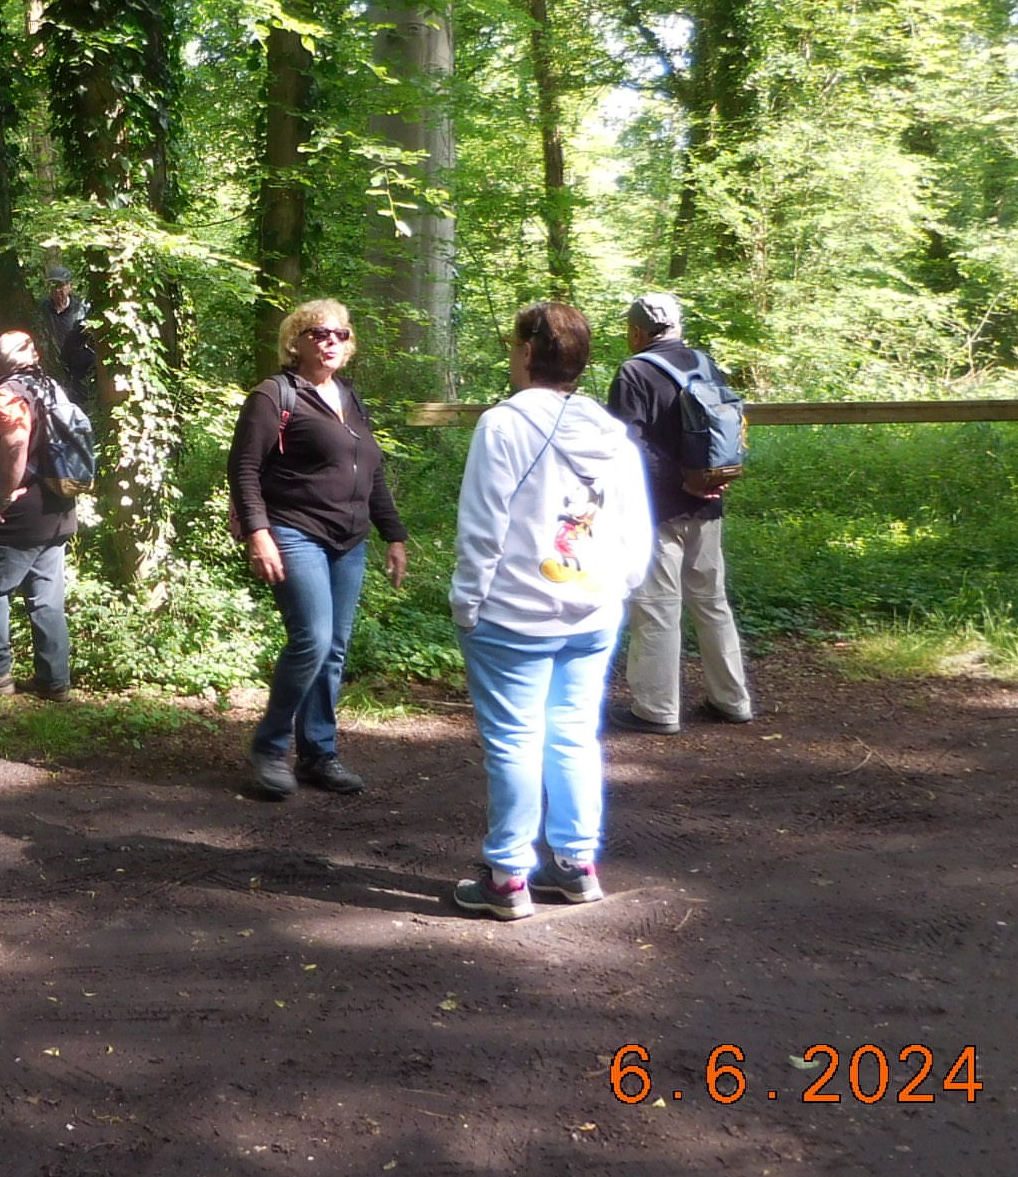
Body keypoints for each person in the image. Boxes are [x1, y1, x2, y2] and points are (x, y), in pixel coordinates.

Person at [448, 301, 654, 921]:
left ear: (528, 353)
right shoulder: (608, 431)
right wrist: (619, 585)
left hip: (512, 614)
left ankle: (509, 877)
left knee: (514, 741)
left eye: (515, 344)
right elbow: (634, 525)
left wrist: (468, 601)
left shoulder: (503, 426)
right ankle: (574, 864)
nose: (511, 353)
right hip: (592, 610)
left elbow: (483, 528)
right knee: (573, 736)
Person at [227, 300, 409, 800]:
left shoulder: (349, 397)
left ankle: (318, 754)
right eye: (320, 333)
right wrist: (258, 533)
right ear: (297, 341)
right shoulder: (275, 395)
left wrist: (393, 534)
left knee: (334, 649)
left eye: (341, 334)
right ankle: (269, 748)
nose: (332, 341)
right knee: (312, 638)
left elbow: (371, 474)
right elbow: (243, 469)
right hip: (294, 530)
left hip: (348, 541)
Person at [606, 291, 754, 732]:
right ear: (676, 326)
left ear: (636, 331)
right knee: (712, 602)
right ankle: (732, 700)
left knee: (657, 605)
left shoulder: (633, 372)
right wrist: (708, 480)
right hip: (710, 499)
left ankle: (657, 710)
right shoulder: (706, 363)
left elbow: (626, 447)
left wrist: (675, 482)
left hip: (657, 508)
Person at [0, 331, 76, 701]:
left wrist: (4, 496)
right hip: (57, 507)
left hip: (19, 516)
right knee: (46, 597)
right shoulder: (51, 386)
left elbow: (15, 441)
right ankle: (54, 680)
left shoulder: (9, 393)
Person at [42, 264, 98, 405]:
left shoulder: (80, 309)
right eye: (53, 286)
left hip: (77, 372)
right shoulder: (41, 309)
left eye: (61, 286)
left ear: (70, 286)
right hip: (49, 368)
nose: (57, 290)